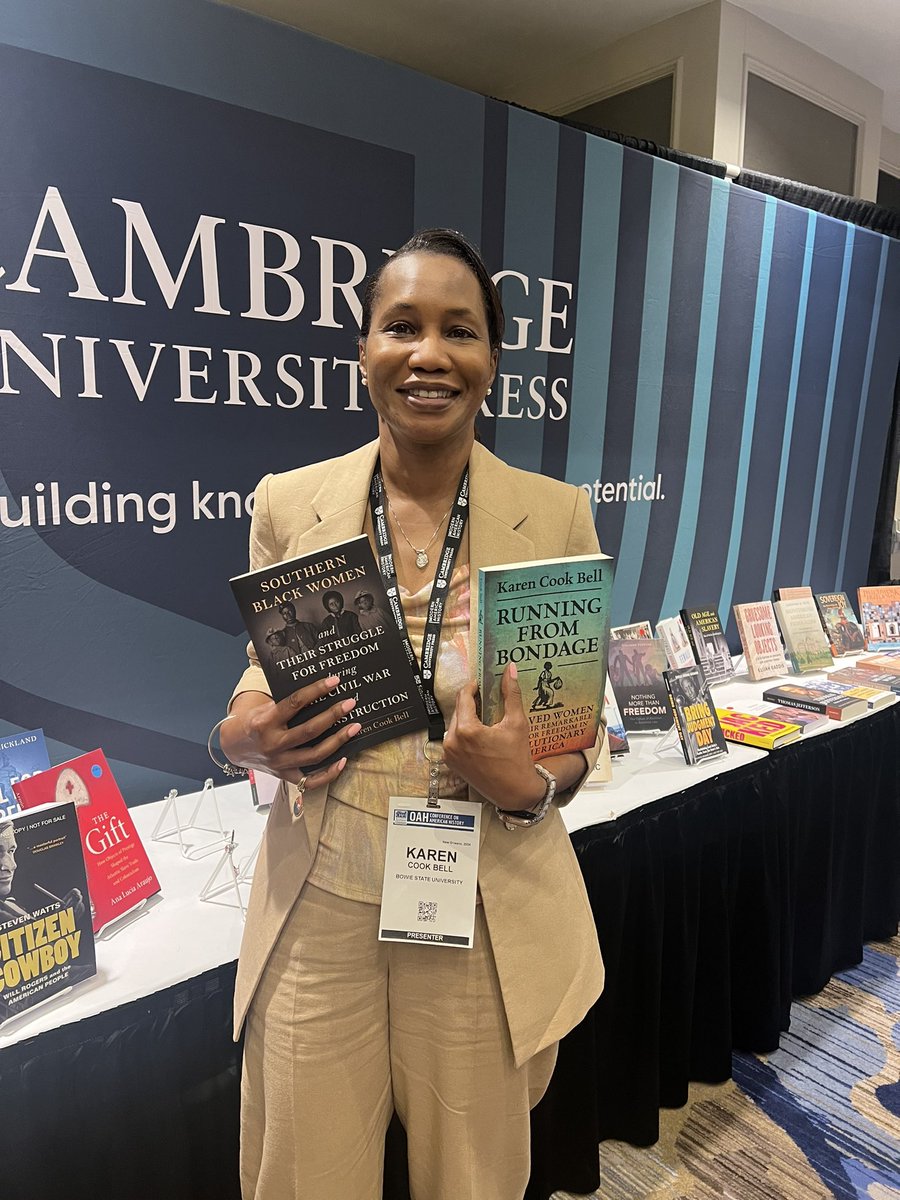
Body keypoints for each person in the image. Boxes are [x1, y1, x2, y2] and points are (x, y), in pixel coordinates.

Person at [216, 228, 605, 1200]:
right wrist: (240, 737)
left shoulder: (553, 515)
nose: (429, 353)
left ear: (491, 360)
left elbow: (569, 738)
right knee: (302, 1175)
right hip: (321, 897)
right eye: (402, 326)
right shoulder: (290, 502)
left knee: (470, 1180)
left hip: (477, 900)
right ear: (364, 350)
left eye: (459, 330)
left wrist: (532, 787)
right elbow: (261, 676)